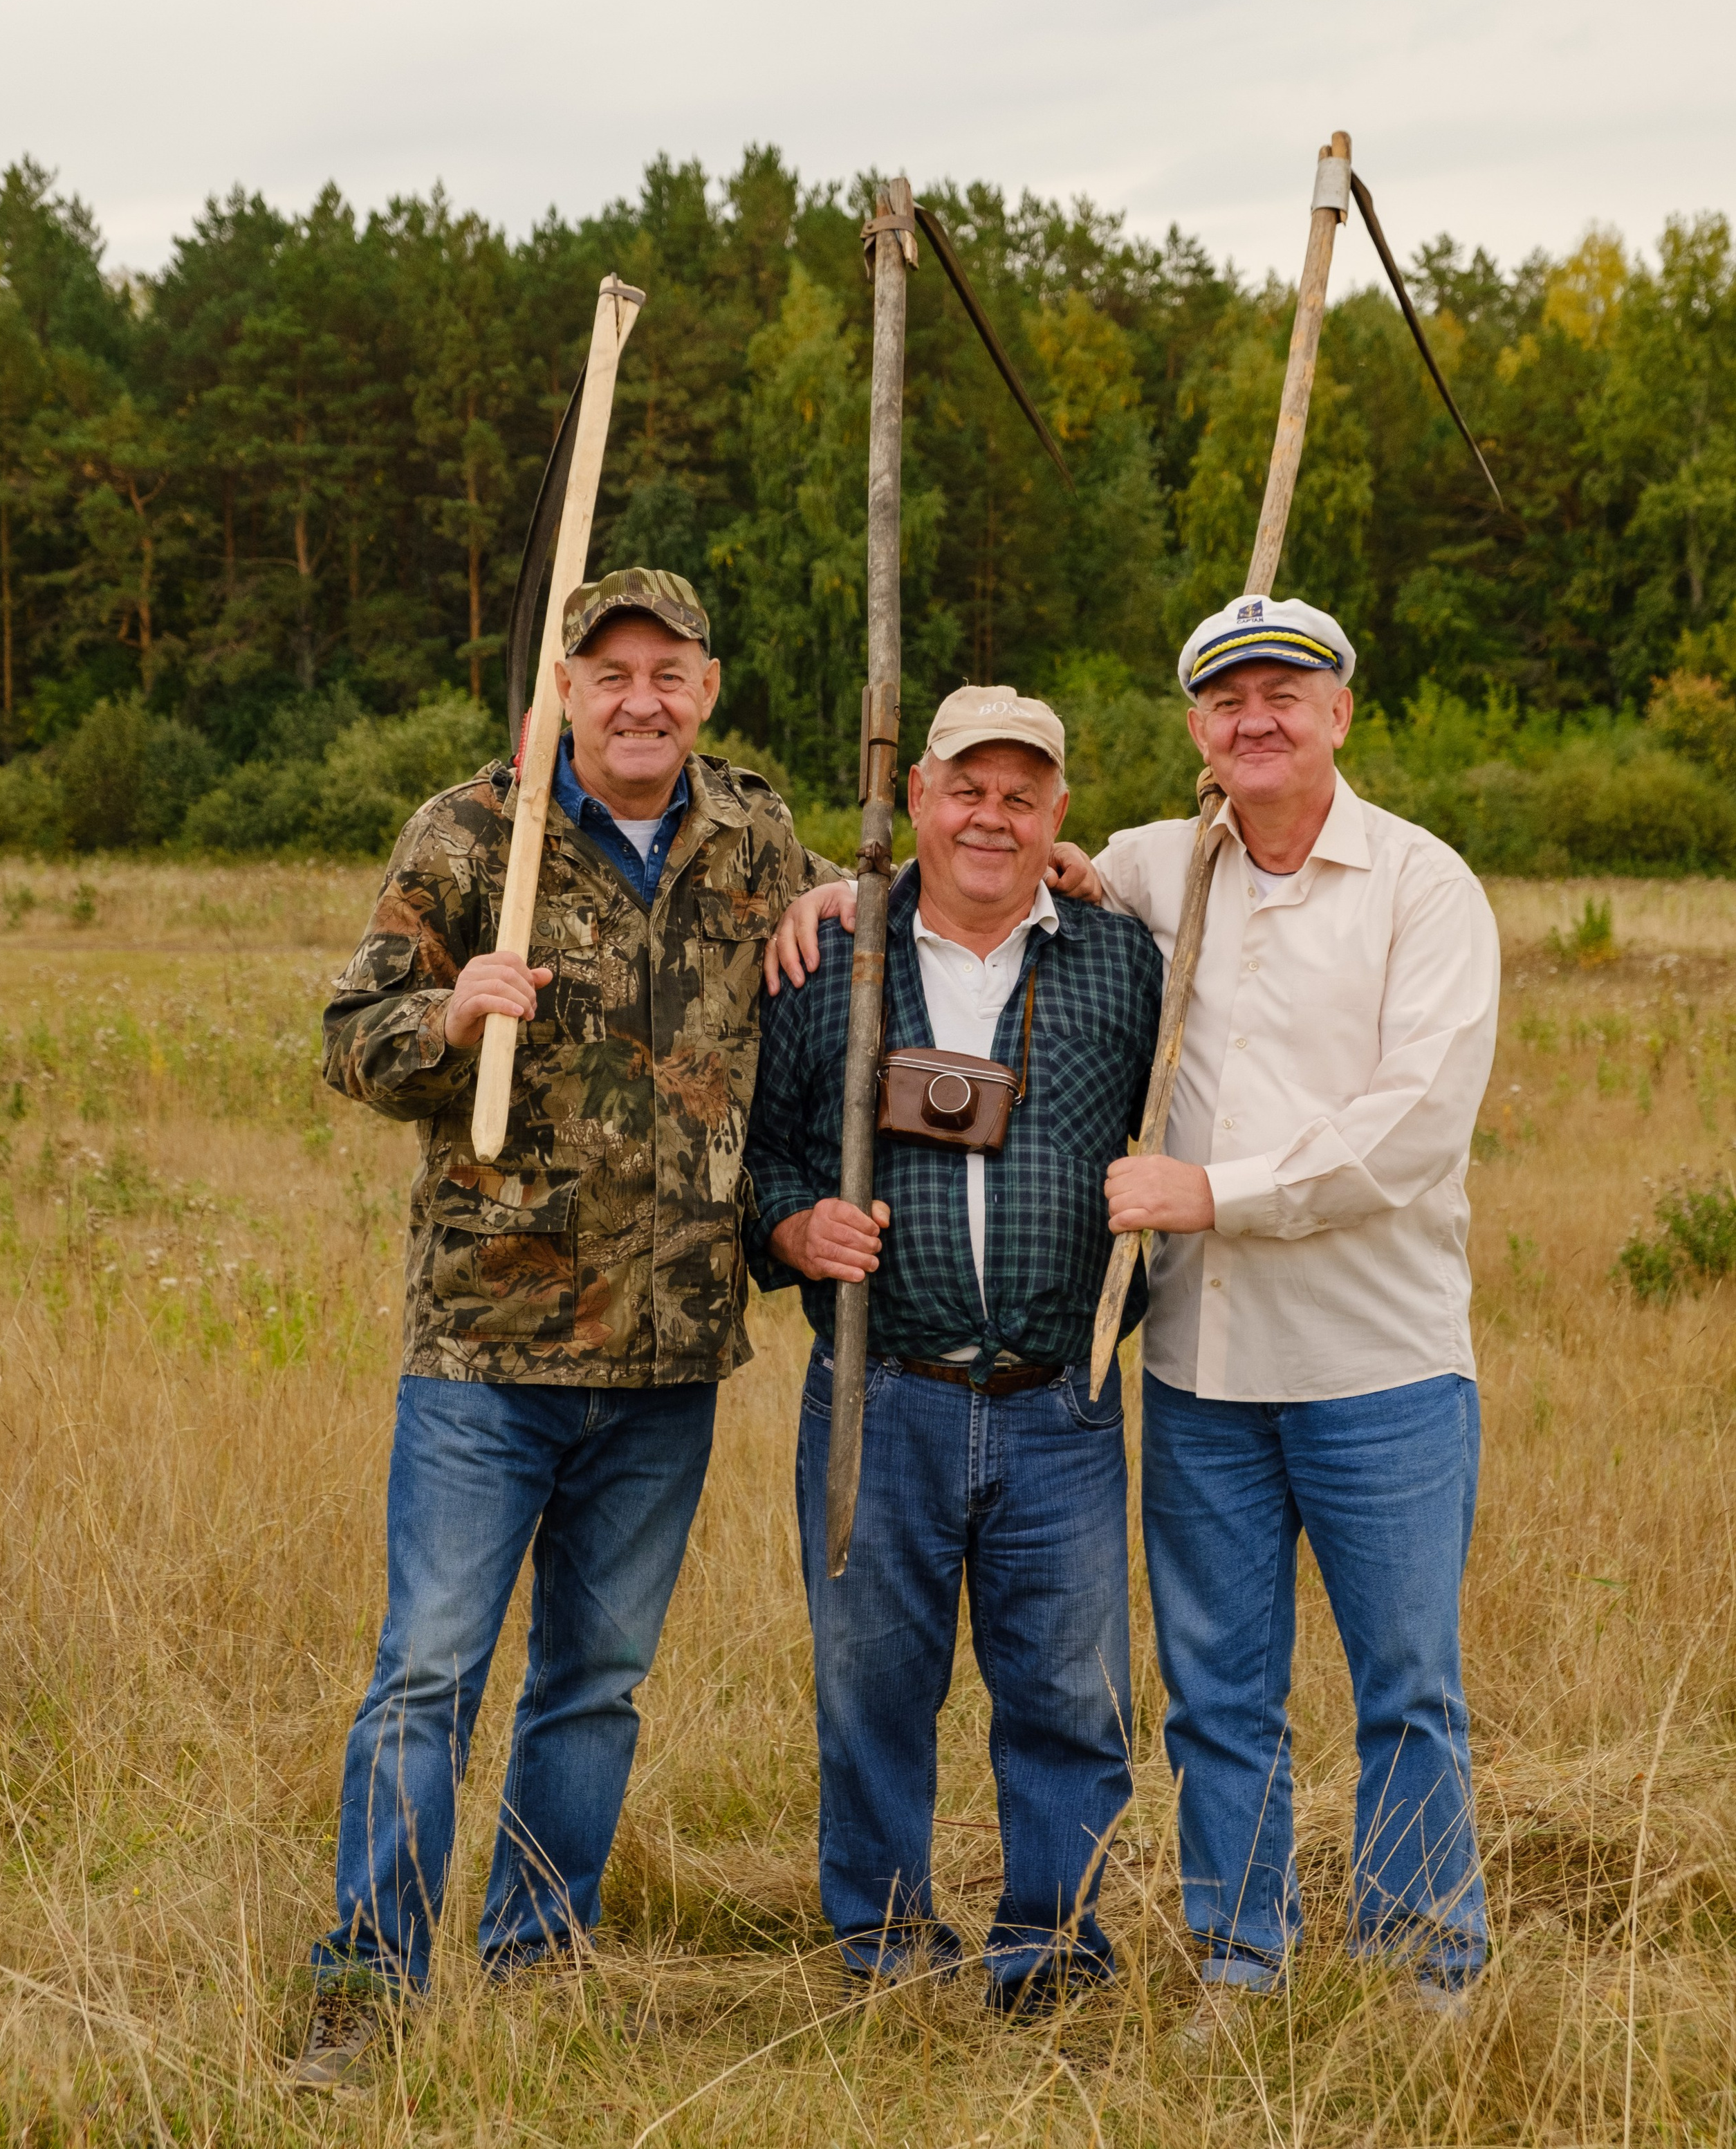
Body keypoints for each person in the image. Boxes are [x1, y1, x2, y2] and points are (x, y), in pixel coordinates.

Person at [287, 567, 840, 2090]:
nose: (641, 697)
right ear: (565, 691)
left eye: (668, 670)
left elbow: (818, 992)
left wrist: (867, 899)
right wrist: (446, 1016)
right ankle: (367, 1988)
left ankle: (536, 1963)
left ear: (706, 688)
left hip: (668, 1357)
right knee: (429, 1673)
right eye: (610, 674)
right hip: (488, 1350)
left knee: (592, 1685)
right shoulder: (474, 834)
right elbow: (350, 1046)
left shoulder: (756, 836)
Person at [1070, 596, 1498, 2027]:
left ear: (1339, 712)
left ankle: (1423, 1964)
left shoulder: (1419, 886)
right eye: (1224, 698)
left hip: (1378, 1365)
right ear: (1195, 729)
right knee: (1216, 1696)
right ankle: (1242, 1959)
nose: (1254, 718)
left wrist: (1216, 1191)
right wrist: (839, 898)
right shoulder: (1157, 865)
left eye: (1283, 692)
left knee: (1405, 1687)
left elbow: (1411, 1128)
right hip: (1201, 1372)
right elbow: (1000, 865)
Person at [746, 685, 1162, 2016]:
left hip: (1063, 1403)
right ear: (915, 797)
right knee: (872, 1697)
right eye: (966, 789)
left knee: (1070, 1703)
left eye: (1022, 794)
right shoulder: (829, 961)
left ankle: (1050, 1961)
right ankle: (882, 1953)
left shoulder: (1121, 958)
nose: (993, 816)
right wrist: (794, 1229)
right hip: (883, 1390)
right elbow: (761, 1158)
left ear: (1058, 816)